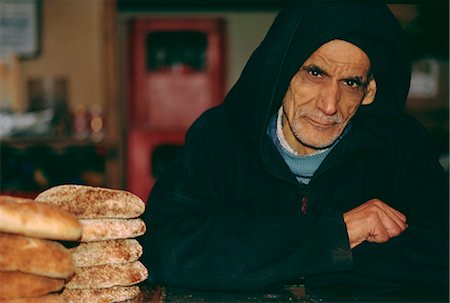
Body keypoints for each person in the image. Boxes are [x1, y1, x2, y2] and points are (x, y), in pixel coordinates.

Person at [140, 1, 449, 299]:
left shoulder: (401, 146)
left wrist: (272, 261)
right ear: (282, 71)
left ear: (370, 92)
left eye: (351, 83)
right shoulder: (220, 136)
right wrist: (337, 236)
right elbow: (163, 247)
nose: (329, 105)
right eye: (315, 73)